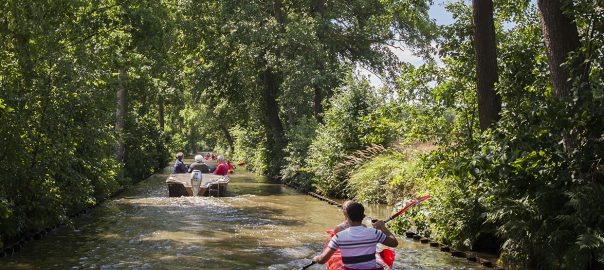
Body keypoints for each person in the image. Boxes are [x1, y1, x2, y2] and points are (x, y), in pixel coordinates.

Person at [312, 201, 398, 269]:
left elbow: (322, 260)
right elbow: (394, 243)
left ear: (347, 216)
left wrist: (316, 258)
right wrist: (383, 228)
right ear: (363, 216)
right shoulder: (374, 233)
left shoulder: (338, 237)